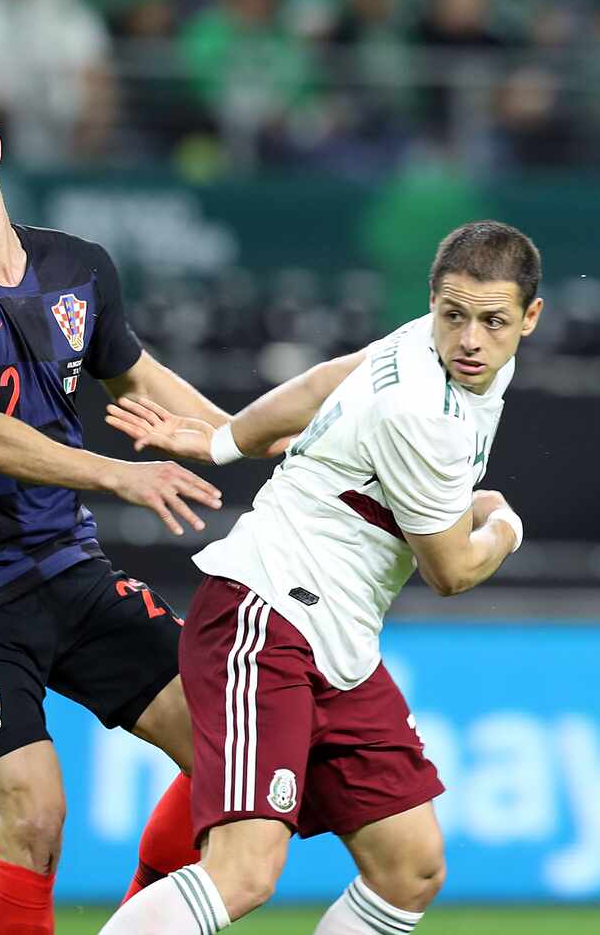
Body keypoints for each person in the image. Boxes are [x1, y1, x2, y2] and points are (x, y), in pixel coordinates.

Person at [0, 69, 363, 935]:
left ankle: (144, 918)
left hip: (72, 571)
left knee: (227, 752)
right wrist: (120, 474)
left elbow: (140, 377)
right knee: (36, 817)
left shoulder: (80, 268)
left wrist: (251, 438)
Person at [100, 220, 543, 935]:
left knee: (412, 863)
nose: (468, 339)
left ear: (530, 317)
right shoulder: (423, 414)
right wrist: (504, 525)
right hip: (265, 613)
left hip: (335, 640)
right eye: (453, 315)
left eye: (492, 321)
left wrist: (221, 437)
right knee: (244, 870)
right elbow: (452, 569)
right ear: (432, 300)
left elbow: (328, 376)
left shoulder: (435, 352)